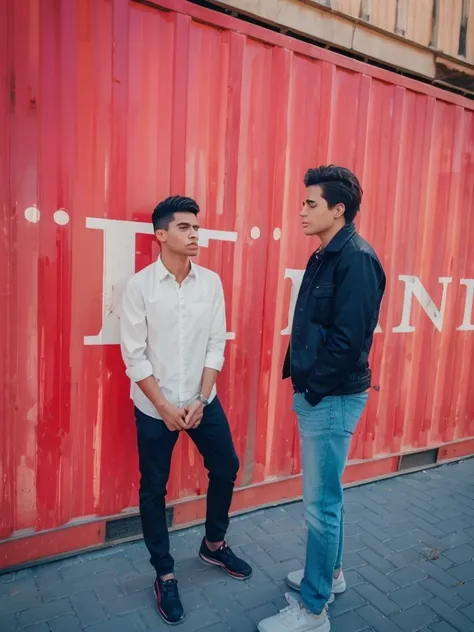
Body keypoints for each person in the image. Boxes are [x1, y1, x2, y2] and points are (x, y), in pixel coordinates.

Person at [258, 166, 386, 632]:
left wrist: (312, 390)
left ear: (338, 209)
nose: (301, 211)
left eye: (310, 203)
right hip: (321, 395)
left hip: (330, 398)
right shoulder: (326, 254)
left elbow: (349, 339)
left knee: (320, 504)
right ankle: (330, 575)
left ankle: (313, 610)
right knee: (327, 497)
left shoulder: (356, 259)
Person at [120, 195, 252, 625]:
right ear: (161, 235)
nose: (194, 234)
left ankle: (213, 545)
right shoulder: (140, 286)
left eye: (197, 227)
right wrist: (163, 406)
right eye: (184, 228)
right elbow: (135, 355)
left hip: (201, 401)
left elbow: (217, 343)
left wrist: (200, 398)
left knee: (227, 466)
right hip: (154, 405)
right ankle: (165, 571)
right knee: (153, 488)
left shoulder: (210, 282)